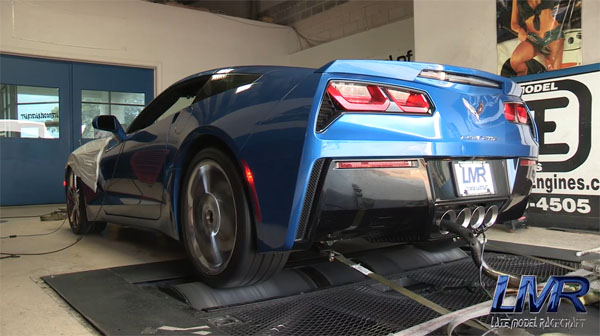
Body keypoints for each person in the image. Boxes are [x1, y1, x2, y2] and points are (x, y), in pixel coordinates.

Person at [510, 0, 564, 76]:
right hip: (533, 38)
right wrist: (520, 30)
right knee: (516, 61)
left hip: (553, 35)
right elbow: (513, 24)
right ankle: (526, 80)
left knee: (554, 73)